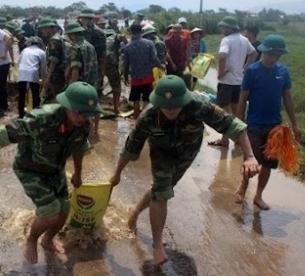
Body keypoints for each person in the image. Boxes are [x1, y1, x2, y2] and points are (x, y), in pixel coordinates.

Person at [109, 74, 260, 265]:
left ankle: (135, 210)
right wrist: (116, 174)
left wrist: (250, 156)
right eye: (166, 106)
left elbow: (234, 126)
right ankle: (157, 245)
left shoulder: (198, 105)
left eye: (176, 106)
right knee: (162, 191)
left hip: (188, 150)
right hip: (161, 151)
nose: (171, 110)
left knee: (163, 187)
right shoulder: (149, 116)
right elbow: (130, 148)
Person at [0, 82, 103, 264]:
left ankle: (48, 240)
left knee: (64, 210)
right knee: (50, 211)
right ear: (67, 106)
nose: (82, 118)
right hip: (29, 168)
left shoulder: (82, 125)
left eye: (86, 114)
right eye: (78, 112)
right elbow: (0, 134)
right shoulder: (41, 119)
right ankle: (31, 240)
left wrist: (78, 173)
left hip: (54, 169)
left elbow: (78, 148)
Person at [235, 35, 301, 210]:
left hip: (275, 127)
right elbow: (242, 99)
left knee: (268, 164)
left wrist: (295, 125)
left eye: (277, 55)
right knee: (251, 160)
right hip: (254, 124)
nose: (273, 58)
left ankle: (258, 195)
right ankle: (243, 186)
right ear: (263, 51)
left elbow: (287, 98)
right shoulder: (252, 71)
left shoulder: (283, 72)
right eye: (270, 54)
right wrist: (239, 124)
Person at [209, 16, 258, 147]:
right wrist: (245, 68)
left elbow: (222, 56)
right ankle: (238, 138)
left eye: (223, 27)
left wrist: (220, 73)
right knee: (237, 112)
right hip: (239, 82)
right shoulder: (244, 40)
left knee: (224, 113)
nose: (221, 29)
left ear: (229, 28)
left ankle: (225, 139)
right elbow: (254, 54)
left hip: (226, 82)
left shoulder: (227, 40)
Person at [123, 24, 165, 119]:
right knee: (146, 99)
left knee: (136, 99)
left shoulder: (127, 47)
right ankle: (144, 119)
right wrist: (160, 65)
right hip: (147, 76)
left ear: (131, 32)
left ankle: (136, 120)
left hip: (135, 77)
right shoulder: (149, 43)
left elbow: (126, 64)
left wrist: (125, 77)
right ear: (141, 31)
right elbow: (154, 58)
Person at [78, 9, 106, 134]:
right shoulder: (79, 32)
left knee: (94, 99)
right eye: (85, 19)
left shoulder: (99, 33)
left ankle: (94, 129)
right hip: (85, 70)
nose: (87, 21)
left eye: (89, 19)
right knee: (87, 98)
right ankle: (88, 128)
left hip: (92, 71)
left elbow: (103, 56)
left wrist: (102, 73)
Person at [39, 18, 68, 103]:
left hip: (55, 74)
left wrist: (48, 77)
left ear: (49, 28)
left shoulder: (54, 40)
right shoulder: (58, 38)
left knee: (52, 98)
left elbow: (54, 60)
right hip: (58, 73)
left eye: (43, 28)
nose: (42, 31)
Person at [17, 37, 47, 118]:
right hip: (33, 73)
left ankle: (21, 114)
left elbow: (19, 62)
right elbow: (43, 68)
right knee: (35, 95)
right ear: (40, 44)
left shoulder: (25, 50)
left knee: (21, 95)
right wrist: (45, 79)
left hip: (22, 72)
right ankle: (35, 114)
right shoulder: (41, 52)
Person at [66, 23, 98, 87]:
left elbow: (75, 69)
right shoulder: (90, 45)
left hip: (80, 84)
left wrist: (73, 87)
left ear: (72, 35)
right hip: (91, 82)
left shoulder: (75, 48)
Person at [104, 29, 122, 114]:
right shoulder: (114, 37)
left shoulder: (101, 39)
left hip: (100, 64)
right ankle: (116, 108)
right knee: (116, 87)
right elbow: (122, 36)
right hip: (111, 65)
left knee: (97, 88)